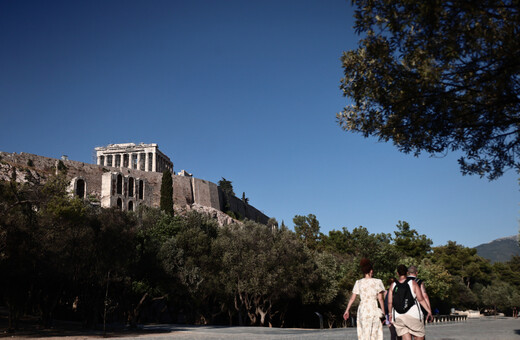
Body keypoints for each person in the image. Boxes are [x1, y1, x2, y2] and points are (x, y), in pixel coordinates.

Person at [344, 258, 386, 340]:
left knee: (364, 331)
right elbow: (380, 299)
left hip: (363, 309)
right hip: (373, 308)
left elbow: (352, 298)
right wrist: (383, 313)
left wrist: (347, 310)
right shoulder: (378, 282)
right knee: (375, 331)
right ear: (371, 271)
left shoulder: (358, 282)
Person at [388, 265, 433, 340]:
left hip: (398, 316)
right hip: (413, 315)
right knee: (419, 335)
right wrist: (429, 311)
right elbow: (421, 299)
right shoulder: (413, 283)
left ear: (397, 273)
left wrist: (390, 314)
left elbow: (390, 302)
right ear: (407, 272)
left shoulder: (393, 285)